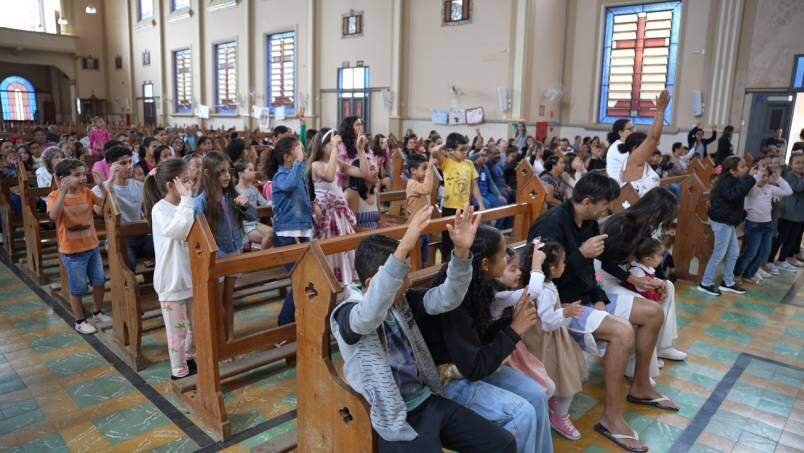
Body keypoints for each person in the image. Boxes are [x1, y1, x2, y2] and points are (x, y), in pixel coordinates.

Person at [332, 207, 515, 452]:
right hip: (394, 419)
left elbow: (448, 298)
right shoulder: (346, 314)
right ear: (373, 282)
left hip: (428, 400)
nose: (409, 282)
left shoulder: (403, 302)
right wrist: (405, 244)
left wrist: (461, 254)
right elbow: (368, 315)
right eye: (402, 276)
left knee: (503, 444)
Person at [529, 172, 674, 452]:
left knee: (653, 314)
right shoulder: (550, 224)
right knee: (622, 332)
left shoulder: (590, 223)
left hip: (585, 298)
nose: (607, 210)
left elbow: (590, 272)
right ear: (587, 201)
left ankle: (640, 386)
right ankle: (611, 418)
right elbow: (539, 279)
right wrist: (580, 254)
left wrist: (598, 297)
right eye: (605, 204)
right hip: (559, 306)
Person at [413, 223, 552, 453]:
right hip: (446, 380)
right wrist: (514, 330)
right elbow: (473, 367)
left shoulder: (482, 284)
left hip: (467, 367)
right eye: (503, 255)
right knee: (522, 414)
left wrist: (513, 320)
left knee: (537, 394)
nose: (508, 259)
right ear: (485, 264)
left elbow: (479, 339)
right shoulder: (454, 301)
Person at [599, 186, 687, 376]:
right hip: (606, 278)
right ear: (655, 209)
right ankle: (635, 365)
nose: (662, 222)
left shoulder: (645, 226)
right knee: (646, 305)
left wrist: (658, 281)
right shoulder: (620, 224)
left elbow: (646, 257)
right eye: (663, 216)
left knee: (668, 287)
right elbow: (606, 263)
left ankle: (662, 346)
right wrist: (633, 279)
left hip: (628, 274)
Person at [517, 241, 588, 441]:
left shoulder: (540, 285)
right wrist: (565, 312)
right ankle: (560, 416)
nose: (565, 265)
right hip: (548, 342)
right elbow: (547, 322)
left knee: (552, 375)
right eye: (562, 262)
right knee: (568, 377)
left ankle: (553, 405)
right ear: (552, 268)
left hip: (542, 340)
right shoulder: (545, 290)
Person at [143, 158, 197, 380]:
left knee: (193, 327)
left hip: (189, 276)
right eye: (185, 180)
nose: (190, 185)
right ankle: (179, 372)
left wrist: (187, 202)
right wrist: (187, 202)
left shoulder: (185, 204)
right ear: (170, 185)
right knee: (177, 332)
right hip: (171, 279)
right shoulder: (160, 209)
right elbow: (178, 231)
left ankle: (191, 360)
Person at [47, 159, 111, 335]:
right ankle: (80, 321)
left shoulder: (87, 192)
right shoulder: (54, 196)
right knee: (78, 288)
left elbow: (106, 205)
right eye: (77, 175)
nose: (83, 177)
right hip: (72, 252)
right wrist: (62, 192)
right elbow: (53, 216)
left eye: (83, 173)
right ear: (63, 179)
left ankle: (97, 312)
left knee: (99, 281)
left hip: (92, 246)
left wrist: (102, 186)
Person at [309, 129, 370, 284]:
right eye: (331, 143)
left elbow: (364, 173)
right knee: (329, 252)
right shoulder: (316, 165)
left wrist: (361, 150)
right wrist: (336, 150)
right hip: (326, 216)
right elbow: (329, 177)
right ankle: (329, 283)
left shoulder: (338, 164)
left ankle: (346, 283)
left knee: (345, 250)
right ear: (322, 146)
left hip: (340, 216)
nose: (336, 146)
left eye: (337, 144)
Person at [269, 136, 314, 326]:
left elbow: (302, 198)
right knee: (299, 279)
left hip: (302, 231)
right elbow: (290, 185)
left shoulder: (297, 173)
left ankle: (299, 318)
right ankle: (285, 322)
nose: (303, 152)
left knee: (306, 277)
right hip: (287, 235)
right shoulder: (280, 177)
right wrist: (297, 164)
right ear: (288, 157)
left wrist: (313, 210)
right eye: (299, 149)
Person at [698, 156, 757, 296]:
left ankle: (727, 282)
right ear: (732, 171)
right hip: (722, 222)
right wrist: (749, 178)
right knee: (719, 253)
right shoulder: (725, 182)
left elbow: (738, 193)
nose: (746, 169)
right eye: (742, 167)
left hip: (728, 221)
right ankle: (705, 283)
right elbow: (733, 195)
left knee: (734, 252)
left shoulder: (733, 180)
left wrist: (748, 178)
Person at [92, 146, 155, 270]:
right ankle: (128, 283)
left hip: (141, 236)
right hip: (118, 238)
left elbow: (148, 212)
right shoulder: (99, 188)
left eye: (130, 162)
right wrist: (110, 183)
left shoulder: (140, 186)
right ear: (110, 166)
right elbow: (100, 211)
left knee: (166, 244)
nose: (129, 166)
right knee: (127, 262)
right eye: (123, 163)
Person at [734, 157, 792, 284]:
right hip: (754, 225)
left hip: (767, 225)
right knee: (751, 252)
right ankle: (737, 273)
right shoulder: (751, 188)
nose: (764, 178)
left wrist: (778, 178)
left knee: (765, 253)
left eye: (766, 176)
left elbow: (789, 191)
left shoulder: (769, 188)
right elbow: (751, 185)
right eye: (762, 175)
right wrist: (759, 172)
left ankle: (749, 274)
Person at [194, 151, 256, 258]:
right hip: (217, 254)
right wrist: (216, 252)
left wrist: (246, 206)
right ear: (207, 173)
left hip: (237, 249)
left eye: (229, 171)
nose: (227, 175)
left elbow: (253, 217)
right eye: (222, 171)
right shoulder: (202, 202)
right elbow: (199, 234)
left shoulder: (232, 195)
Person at [433, 133, 484, 257]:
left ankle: (463, 261)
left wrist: (481, 205)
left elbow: (474, 185)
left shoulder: (469, 164)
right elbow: (434, 151)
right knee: (448, 241)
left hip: (465, 208)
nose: (465, 152)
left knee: (465, 241)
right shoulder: (446, 163)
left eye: (466, 148)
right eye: (462, 149)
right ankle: (447, 264)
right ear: (451, 151)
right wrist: (447, 144)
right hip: (449, 208)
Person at [620, 90, 671, 196]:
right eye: (645, 145)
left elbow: (652, 138)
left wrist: (658, 112)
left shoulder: (642, 163)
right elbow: (653, 138)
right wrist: (660, 111)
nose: (651, 148)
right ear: (635, 149)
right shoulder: (633, 160)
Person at [770, 151, 804, 271]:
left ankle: (782, 260)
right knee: (781, 239)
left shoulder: (801, 176)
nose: (801, 165)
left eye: (803, 163)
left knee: (791, 239)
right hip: (787, 214)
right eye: (797, 163)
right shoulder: (790, 175)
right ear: (790, 164)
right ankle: (770, 260)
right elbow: (796, 189)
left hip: (799, 215)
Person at [234, 160, 274, 250]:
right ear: (241, 174)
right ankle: (260, 256)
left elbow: (264, 203)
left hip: (254, 222)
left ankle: (260, 255)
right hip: (243, 226)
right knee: (269, 236)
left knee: (272, 233)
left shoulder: (253, 189)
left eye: (253, 170)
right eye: (250, 170)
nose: (254, 172)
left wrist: (276, 202)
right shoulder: (235, 191)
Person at [345, 160, 381, 231]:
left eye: (375, 168)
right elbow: (350, 227)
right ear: (359, 174)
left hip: (375, 235)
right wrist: (373, 231)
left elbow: (378, 221)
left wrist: (385, 225)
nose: (376, 171)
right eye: (372, 169)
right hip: (359, 237)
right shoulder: (352, 194)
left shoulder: (375, 193)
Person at [605, 119, 634, 184]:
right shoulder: (617, 147)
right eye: (630, 129)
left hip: (625, 182)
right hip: (618, 185)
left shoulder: (625, 144)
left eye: (633, 128)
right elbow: (632, 165)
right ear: (620, 132)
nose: (633, 131)